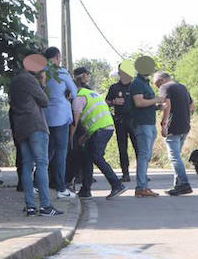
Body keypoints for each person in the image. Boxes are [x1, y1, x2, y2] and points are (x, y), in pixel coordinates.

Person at [9, 53, 62, 217]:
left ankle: (30, 207)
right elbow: (44, 101)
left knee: (26, 165)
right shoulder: (29, 80)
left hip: (20, 127)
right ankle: (45, 206)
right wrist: (43, 83)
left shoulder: (14, 82)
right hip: (35, 125)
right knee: (41, 163)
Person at [71, 66, 126, 199]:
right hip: (104, 127)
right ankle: (85, 190)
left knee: (96, 156)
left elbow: (75, 122)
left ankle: (117, 184)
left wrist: (70, 138)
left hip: (100, 129)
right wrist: (85, 136)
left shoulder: (78, 98)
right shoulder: (91, 93)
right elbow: (92, 118)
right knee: (88, 157)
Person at [41, 46, 77, 200]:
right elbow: (74, 92)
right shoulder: (62, 73)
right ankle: (61, 188)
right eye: (60, 57)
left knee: (47, 152)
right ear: (56, 57)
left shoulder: (41, 73)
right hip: (61, 116)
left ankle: (37, 184)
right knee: (61, 153)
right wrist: (67, 95)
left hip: (45, 117)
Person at [155, 71, 194, 196]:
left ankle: (184, 184)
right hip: (185, 126)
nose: (157, 87)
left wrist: (164, 124)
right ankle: (178, 185)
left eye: (157, 83)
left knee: (174, 157)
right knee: (177, 156)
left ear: (162, 80)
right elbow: (192, 106)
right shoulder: (182, 87)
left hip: (173, 127)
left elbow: (167, 105)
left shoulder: (165, 87)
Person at [128, 55, 161, 197]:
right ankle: (141, 187)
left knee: (146, 156)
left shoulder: (145, 83)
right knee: (143, 155)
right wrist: (156, 100)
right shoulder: (137, 83)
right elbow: (139, 102)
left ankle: (144, 186)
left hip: (149, 123)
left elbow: (146, 103)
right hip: (142, 124)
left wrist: (158, 106)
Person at [106, 67, 137, 182]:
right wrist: (113, 102)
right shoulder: (114, 87)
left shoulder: (135, 86)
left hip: (134, 120)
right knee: (122, 148)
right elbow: (106, 102)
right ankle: (125, 174)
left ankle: (141, 173)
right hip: (120, 120)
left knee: (138, 147)